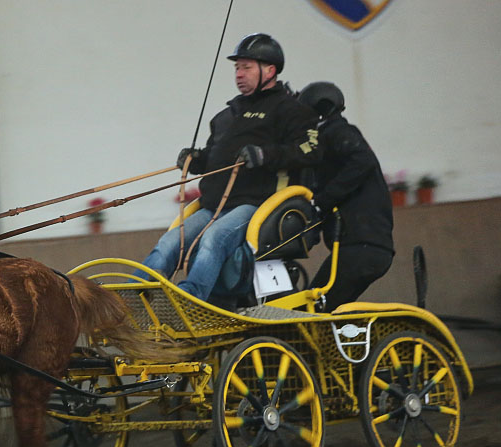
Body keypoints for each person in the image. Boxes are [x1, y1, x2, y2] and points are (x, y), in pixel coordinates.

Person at [134, 33, 320, 305]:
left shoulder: (290, 110)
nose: (239, 74)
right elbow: (214, 157)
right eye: (236, 67)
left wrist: (266, 155)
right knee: (169, 242)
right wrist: (196, 159)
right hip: (212, 206)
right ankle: (132, 296)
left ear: (270, 70)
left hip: (256, 205)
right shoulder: (227, 115)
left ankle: (191, 301)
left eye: (246, 67)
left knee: (213, 239)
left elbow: (311, 150)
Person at [298, 81, 394, 311]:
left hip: (361, 246)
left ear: (320, 110)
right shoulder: (329, 138)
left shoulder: (338, 132)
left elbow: (362, 161)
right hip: (363, 247)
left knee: (313, 308)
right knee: (325, 307)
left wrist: (322, 201)